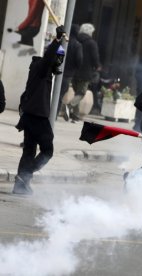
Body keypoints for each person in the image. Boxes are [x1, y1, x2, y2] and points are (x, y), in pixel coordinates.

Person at [12, 26, 66, 195]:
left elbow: (50, 61)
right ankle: (25, 175)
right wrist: (57, 40)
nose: (59, 63)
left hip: (30, 116)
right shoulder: (42, 68)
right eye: (59, 59)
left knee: (29, 150)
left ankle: (21, 185)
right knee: (47, 150)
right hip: (37, 117)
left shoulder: (38, 69)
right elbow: (49, 57)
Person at [68, 23, 101, 121]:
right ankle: (69, 105)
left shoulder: (75, 40)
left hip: (74, 71)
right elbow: (95, 57)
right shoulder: (92, 43)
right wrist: (98, 66)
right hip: (86, 72)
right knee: (81, 93)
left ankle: (75, 115)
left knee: (76, 93)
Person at [58, 24, 83, 121]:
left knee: (55, 92)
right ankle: (54, 114)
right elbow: (79, 60)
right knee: (60, 94)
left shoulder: (63, 42)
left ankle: (52, 112)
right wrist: (76, 68)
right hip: (68, 74)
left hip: (58, 70)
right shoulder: (77, 45)